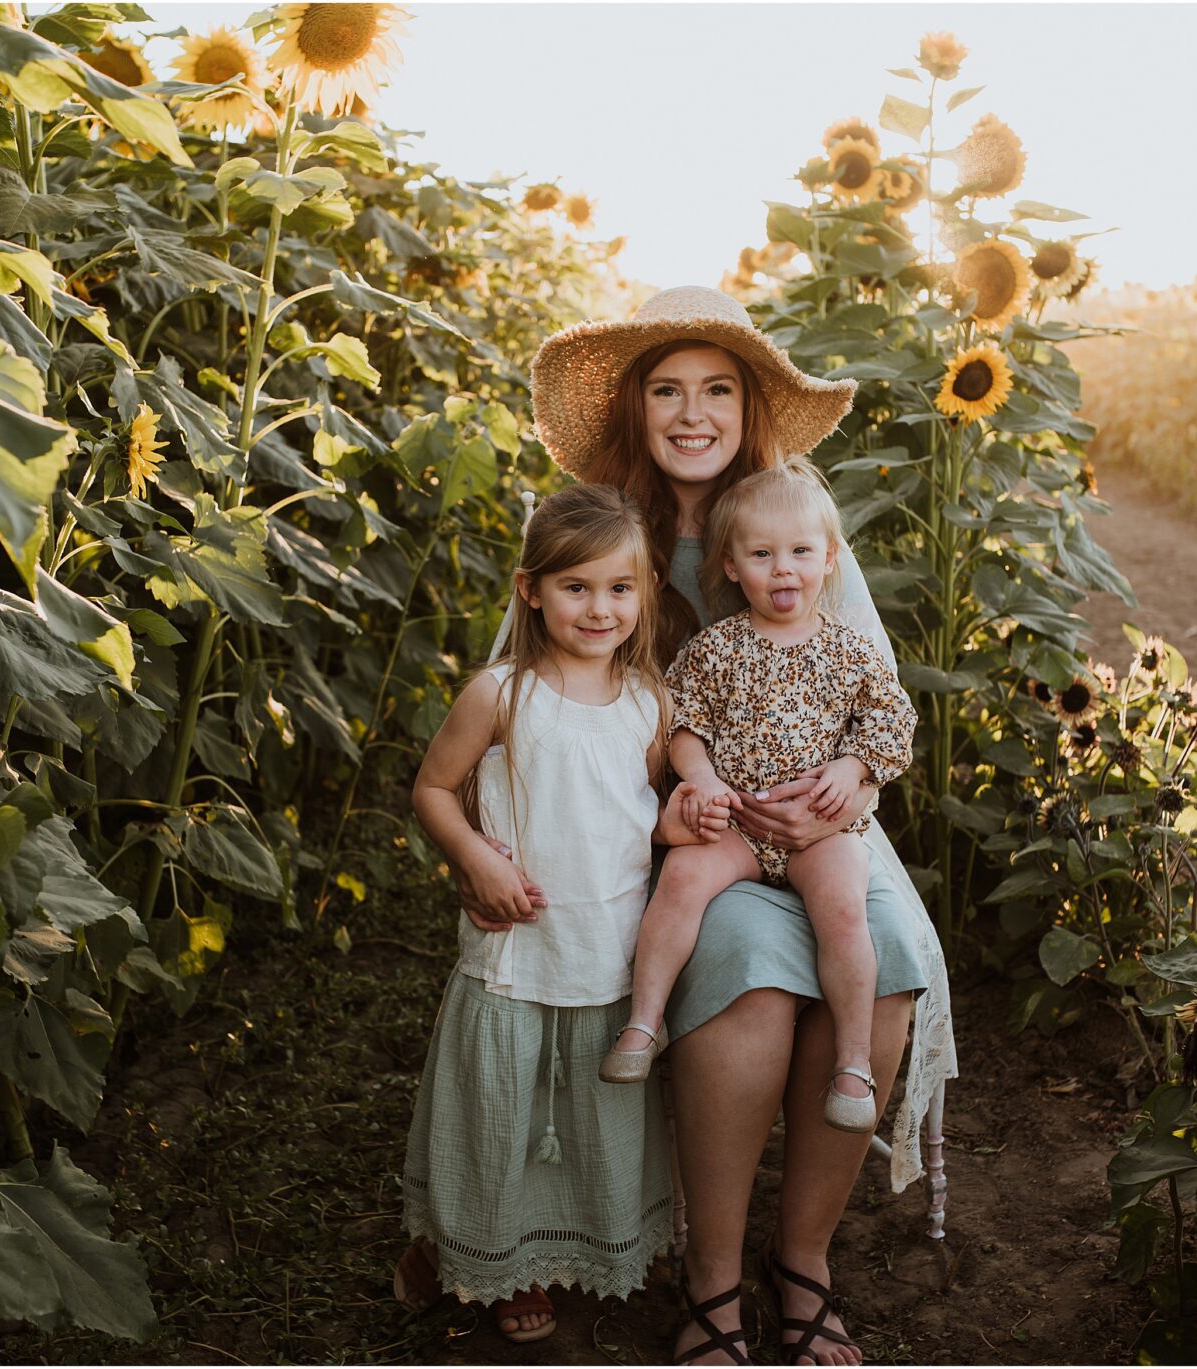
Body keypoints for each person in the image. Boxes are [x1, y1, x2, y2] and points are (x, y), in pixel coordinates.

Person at [508, 285, 960, 1366]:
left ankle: (801, 1261)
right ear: (634, 406)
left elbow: (871, 689)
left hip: (819, 817)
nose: (692, 412)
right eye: (666, 389)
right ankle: (710, 1276)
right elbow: (538, 700)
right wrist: (669, 794)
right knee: (752, 977)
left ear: (750, 405)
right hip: (671, 820)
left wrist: (853, 777)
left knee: (887, 958)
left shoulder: (791, 516)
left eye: (716, 388)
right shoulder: (601, 525)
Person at [394, 483, 708, 1345]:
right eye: (576, 587)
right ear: (530, 589)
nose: (600, 608)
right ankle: (490, 1255)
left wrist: (681, 820)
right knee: (502, 1114)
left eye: (619, 588)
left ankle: (551, 1241)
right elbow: (432, 789)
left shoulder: (649, 702)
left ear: (645, 591)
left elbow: (634, 813)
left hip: (605, 953)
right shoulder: (502, 694)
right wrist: (476, 858)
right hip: (519, 955)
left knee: (582, 1120)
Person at [599, 461, 919, 1145]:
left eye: (801, 551)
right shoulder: (717, 649)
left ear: (828, 559)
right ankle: (643, 1022)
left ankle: (853, 1064)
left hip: (822, 830)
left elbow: (893, 722)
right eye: (762, 554)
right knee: (683, 877)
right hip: (738, 822)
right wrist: (702, 780)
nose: (783, 569)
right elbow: (684, 726)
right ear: (732, 566)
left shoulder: (851, 651)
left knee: (845, 909)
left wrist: (854, 765)